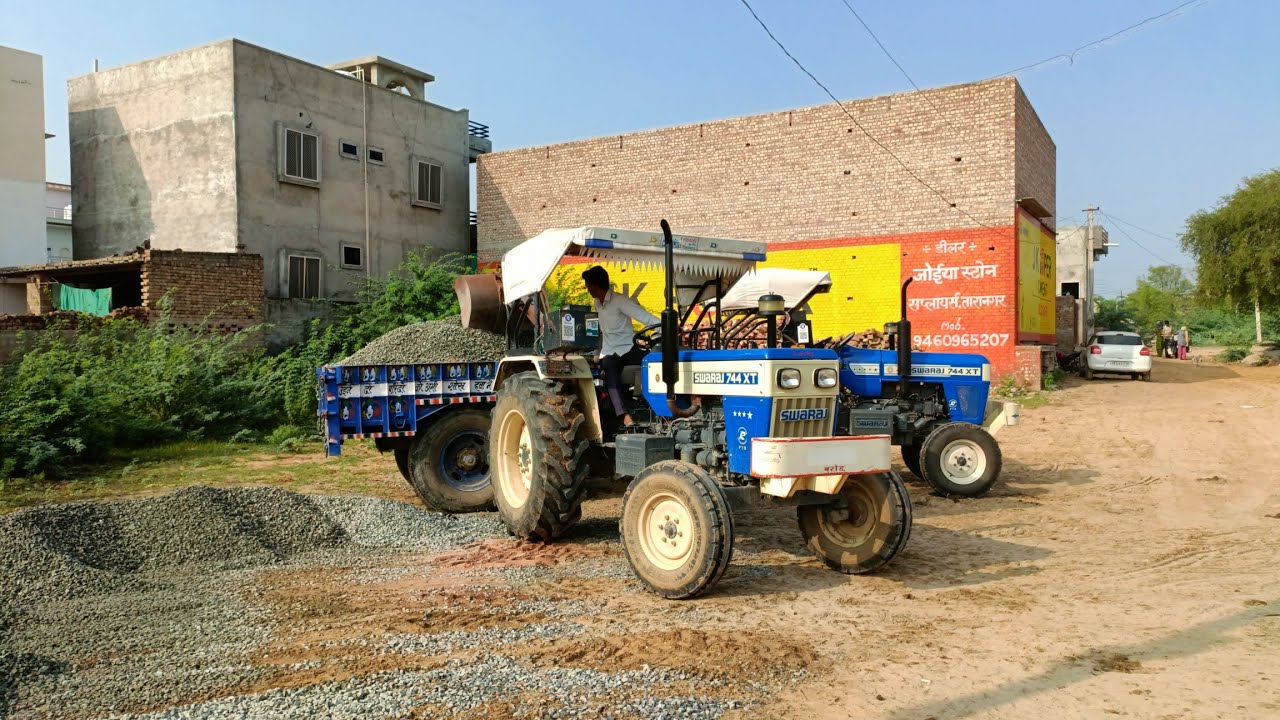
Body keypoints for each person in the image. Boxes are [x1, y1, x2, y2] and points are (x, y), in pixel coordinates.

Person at [582, 265, 659, 427]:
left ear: (596, 285)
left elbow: (644, 317)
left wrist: (665, 326)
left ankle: (660, 408)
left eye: (589, 285)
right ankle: (624, 415)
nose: (587, 289)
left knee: (656, 360)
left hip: (628, 348)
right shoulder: (597, 303)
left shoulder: (620, 301)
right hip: (610, 352)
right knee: (609, 366)